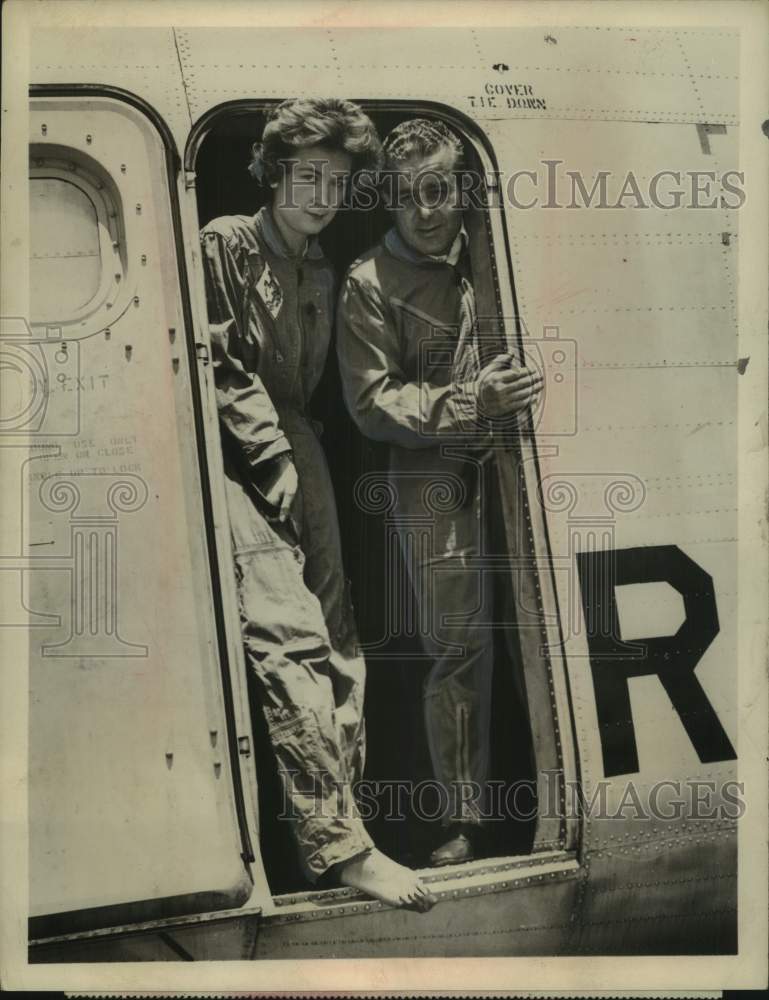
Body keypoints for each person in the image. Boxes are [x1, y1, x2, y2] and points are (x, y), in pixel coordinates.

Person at [200, 98, 435, 911]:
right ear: (272, 173)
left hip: (301, 448)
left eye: (336, 179)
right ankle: (338, 851)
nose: (321, 191)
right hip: (228, 454)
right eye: (306, 174)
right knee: (288, 635)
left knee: (338, 640)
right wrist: (269, 455)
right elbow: (217, 363)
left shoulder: (326, 266)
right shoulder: (224, 243)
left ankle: (343, 831)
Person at [336, 118, 543, 866]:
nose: (425, 211)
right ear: (389, 203)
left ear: (461, 189)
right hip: (429, 481)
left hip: (517, 470)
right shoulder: (367, 283)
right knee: (457, 646)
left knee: (538, 629)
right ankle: (467, 820)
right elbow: (369, 403)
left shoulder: (494, 254)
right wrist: (470, 403)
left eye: (438, 191)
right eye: (406, 197)